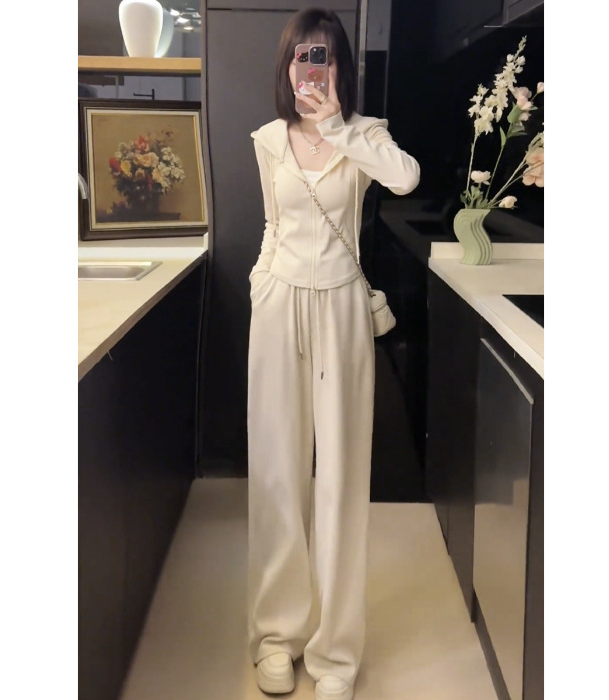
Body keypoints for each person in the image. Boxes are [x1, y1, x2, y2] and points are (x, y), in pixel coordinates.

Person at [247, 8, 420, 700]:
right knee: (278, 474)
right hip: (279, 307)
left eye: (322, 56)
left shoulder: (365, 136)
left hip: (343, 309)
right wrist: (261, 285)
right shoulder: (268, 140)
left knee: (342, 478)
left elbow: (405, 179)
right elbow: (272, 223)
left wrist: (338, 126)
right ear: (287, 66)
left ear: (341, 66)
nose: (310, 68)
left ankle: (336, 655)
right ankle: (276, 636)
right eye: (301, 56)